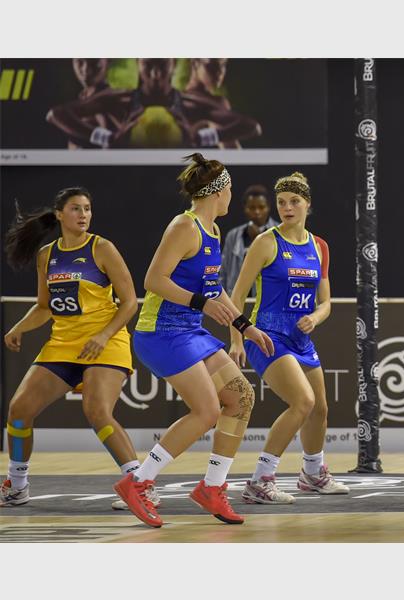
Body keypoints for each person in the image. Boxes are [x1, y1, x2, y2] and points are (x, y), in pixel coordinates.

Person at [113, 153, 275, 528]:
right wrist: (201, 304)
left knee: (241, 397)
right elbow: (153, 280)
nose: (232, 195)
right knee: (206, 411)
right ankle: (138, 483)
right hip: (161, 331)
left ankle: (212, 488)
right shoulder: (184, 227)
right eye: (230, 189)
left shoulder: (213, 230)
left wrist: (246, 326)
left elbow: (214, 289)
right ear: (219, 192)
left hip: (189, 331)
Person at [1, 187, 144, 508]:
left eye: (87, 208)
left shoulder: (102, 248)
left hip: (105, 342)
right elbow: (44, 306)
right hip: (63, 344)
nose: (83, 214)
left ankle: (140, 485)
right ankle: (18, 485)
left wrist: (104, 335)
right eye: (76, 208)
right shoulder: (47, 255)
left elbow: (130, 302)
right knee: (19, 411)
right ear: (59, 214)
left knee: (97, 411)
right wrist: (19, 327)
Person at [229, 171, 349, 505]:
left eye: (294, 201)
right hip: (266, 336)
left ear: (308, 204)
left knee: (320, 408)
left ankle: (312, 474)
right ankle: (260, 480)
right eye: (281, 202)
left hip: (300, 339)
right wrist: (237, 339)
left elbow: (326, 302)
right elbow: (236, 296)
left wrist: (315, 317)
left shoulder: (319, 246)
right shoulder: (266, 242)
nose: (287, 208)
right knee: (302, 402)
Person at [47, 58, 261, 149]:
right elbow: (56, 115)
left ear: (173, 65)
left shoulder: (190, 104)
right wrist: (106, 138)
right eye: (149, 65)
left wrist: (202, 138)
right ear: (139, 64)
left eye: (162, 65)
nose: (156, 74)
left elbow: (251, 126)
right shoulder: (119, 100)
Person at [183, 58, 262, 149]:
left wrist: (206, 137)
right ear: (195, 64)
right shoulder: (192, 101)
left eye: (223, 65)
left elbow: (251, 128)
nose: (220, 71)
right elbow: (252, 126)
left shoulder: (218, 101)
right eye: (213, 65)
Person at [220, 184, 279, 295]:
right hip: (235, 299)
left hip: (268, 299)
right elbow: (223, 272)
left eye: (261, 207)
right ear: (245, 209)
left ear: (268, 207)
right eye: (252, 208)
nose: (257, 212)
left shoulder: (279, 234)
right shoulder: (233, 236)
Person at [45, 59, 111, 149]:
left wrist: (108, 139)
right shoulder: (85, 95)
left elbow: (54, 115)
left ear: (109, 61)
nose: (86, 70)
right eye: (80, 62)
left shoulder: (110, 95)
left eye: (95, 62)